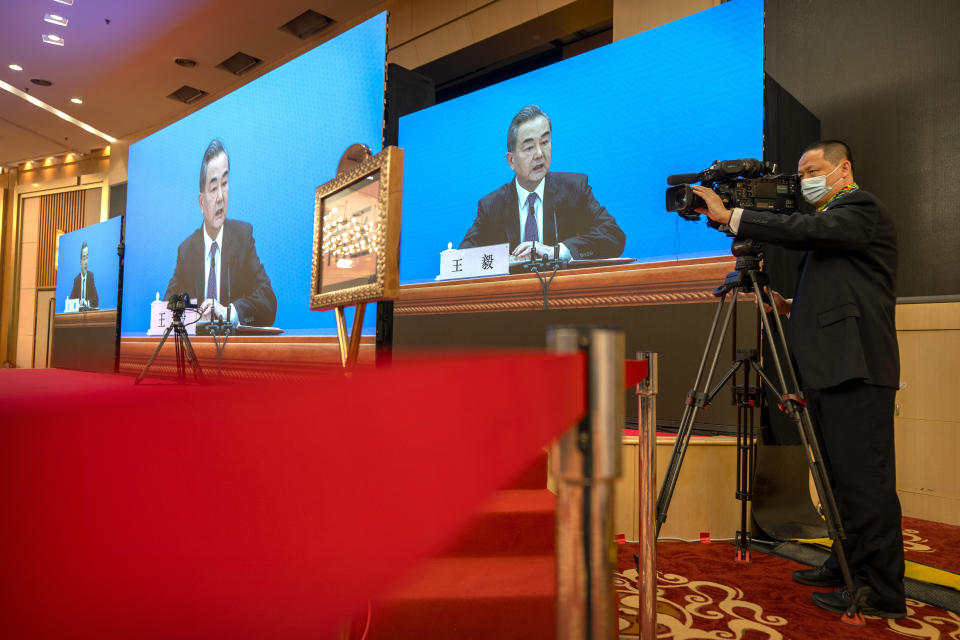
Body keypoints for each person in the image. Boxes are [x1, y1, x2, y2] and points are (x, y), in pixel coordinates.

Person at [692, 140, 905, 619]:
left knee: (864, 482)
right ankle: (848, 562)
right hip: (831, 368)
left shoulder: (859, 208)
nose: (803, 178)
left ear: (843, 168)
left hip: (858, 368)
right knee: (836, 480)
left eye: (812, 169)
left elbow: (810, 229)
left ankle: (882, 590)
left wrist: (733, 217)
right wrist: (789, 307)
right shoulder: (837, 225)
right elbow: (841, 289)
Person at [459, 105, 625, 261]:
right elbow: (463, 258)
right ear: (511, 160)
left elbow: (613, 236)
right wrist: (506, 261)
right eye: (529, 147)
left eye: (545, 142)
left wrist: (557, 252)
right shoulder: (491, 207)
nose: (539, 154)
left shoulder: (574, 189)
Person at [165, 139, 277, 327]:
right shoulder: (186, 250)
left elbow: (267, 301)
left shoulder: (243, 237)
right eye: (213, 188)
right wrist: (196, 314)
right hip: (197, 352)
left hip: (235, 351)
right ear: (201, 203)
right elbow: (169, 304)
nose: (220, 197)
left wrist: (229, 312)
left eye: (224, 184)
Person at [70, 241, 99, 309]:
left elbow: (96, 300)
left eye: (87, 257)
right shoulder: (76, 279)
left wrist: (86, 303)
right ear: (80, 262)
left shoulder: (90, 276)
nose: (86, 262)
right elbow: (71, 299)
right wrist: (78, 303)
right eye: (84, 258)